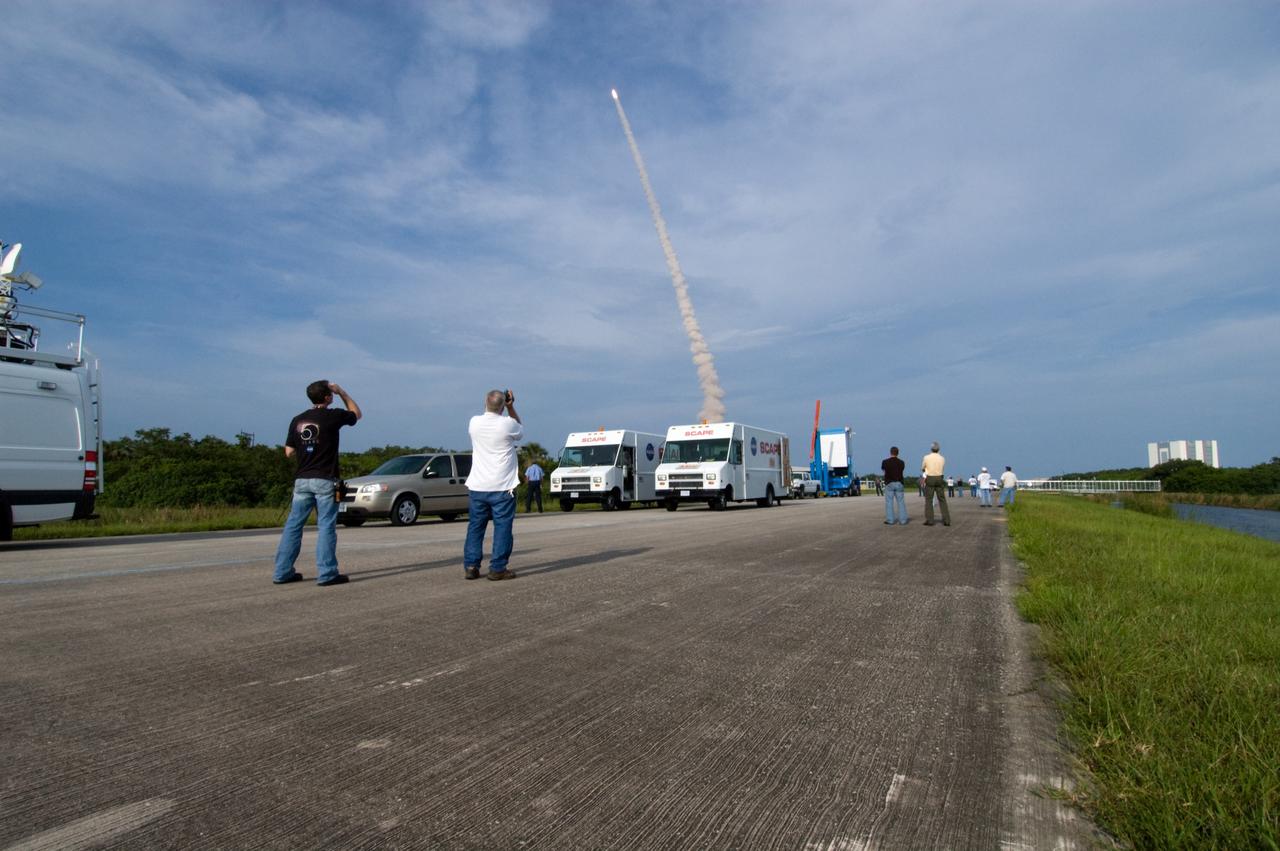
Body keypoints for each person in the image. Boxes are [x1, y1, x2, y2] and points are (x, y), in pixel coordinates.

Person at [273, 380, 361, 586]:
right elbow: (357, 414)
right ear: (328, 397)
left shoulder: (298, 419)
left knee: (293, 526)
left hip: (302, 480)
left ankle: (282, 572)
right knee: (326, 526)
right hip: (326, 479)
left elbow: (288, 451)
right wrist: (343, 392)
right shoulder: (334, 416)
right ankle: (327, 573)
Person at [464, 389, 523, 581]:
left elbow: (489, 412)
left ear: (485, 402)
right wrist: (511, 407)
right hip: (502, 487)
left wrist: (500, 405)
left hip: (478, 486)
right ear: (503, 404)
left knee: (475, 527)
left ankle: (471, 566)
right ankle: (497, 568)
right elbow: (519, 429)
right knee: (502, 527)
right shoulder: (507, 424)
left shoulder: (474, 422)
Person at [921, 442, 951, 526]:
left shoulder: (926, 457)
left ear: (931, 449)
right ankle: (947, 520)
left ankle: (930, 520)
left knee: (929, 499)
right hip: (939, 478)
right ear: (938, 449)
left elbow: (922, 468)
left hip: (930, 478)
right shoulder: (942, 458)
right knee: (942, 499)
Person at [880, 446, 908, 525]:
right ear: (897, 453)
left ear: (890, 452)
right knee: (901, 502)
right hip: (899, 483)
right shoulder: (902, 462)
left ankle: (890, 520)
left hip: (889, 483)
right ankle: (903, 520)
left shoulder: (885, 462)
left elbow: (883, 470)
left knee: (889, 502)